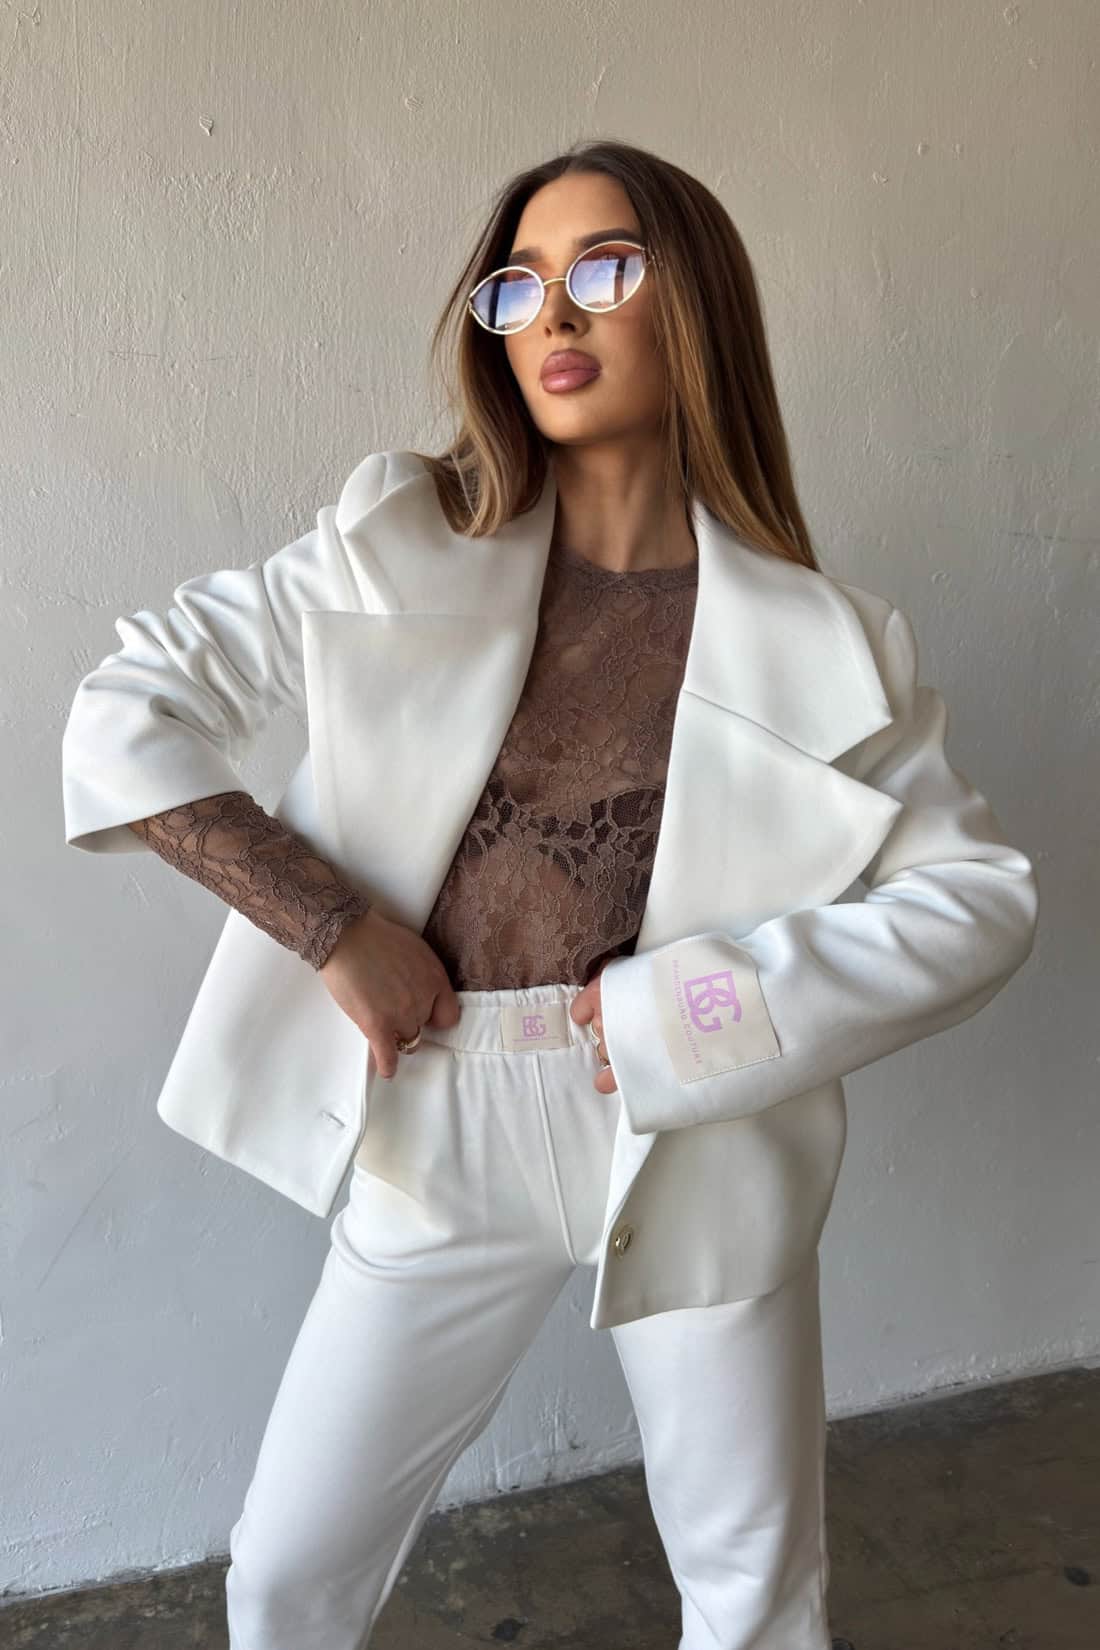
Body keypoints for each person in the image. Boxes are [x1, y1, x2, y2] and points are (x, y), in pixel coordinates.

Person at [61, 140, 1039, 1650]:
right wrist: (330, 925)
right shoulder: (397, 542)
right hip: (443, 1117)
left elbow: (976, 899)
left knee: (756, 1594)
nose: (554, 316)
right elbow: (125, 712)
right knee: (287, 1578)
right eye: (517, 286)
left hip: (697, 1127)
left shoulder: (831, 638)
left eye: (605, 268)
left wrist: (692, 1016)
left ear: (694, 302)